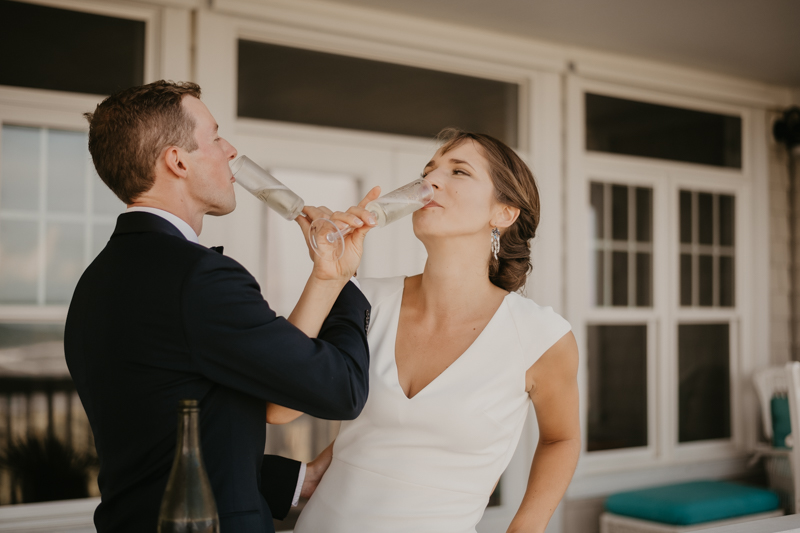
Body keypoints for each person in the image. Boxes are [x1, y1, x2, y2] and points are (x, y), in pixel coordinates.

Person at [64, 80, 379, 533]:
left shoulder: (98, 281)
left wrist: (327, 275)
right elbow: (340, 390)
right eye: (214, 137)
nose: (230, 150)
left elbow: (167, 432)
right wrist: (349, 285)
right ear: (177, 161)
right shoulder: (197, 277)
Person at [270, 128, 580, 533]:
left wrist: (526, 527)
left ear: (503, 213)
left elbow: (561, 439)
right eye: (428, 170)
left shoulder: (541, 336)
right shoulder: (365, 299)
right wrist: (328, 275)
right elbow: (279, 408)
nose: (429, 181)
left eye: (459, 172)